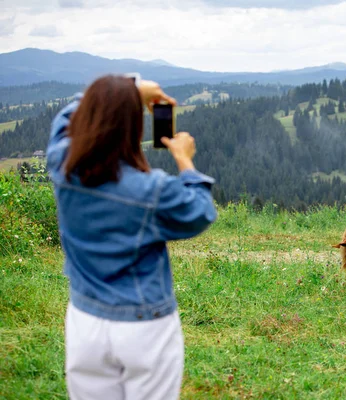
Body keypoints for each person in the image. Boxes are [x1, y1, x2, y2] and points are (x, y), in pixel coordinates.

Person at [46, 75, 217, 400]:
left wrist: (127, 91)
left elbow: (68, 117)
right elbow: (200, 212)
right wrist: (185, 160)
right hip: (145, 325)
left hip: (85, 321)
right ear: (131, 129)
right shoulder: (151, 190)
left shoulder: (63, 165)